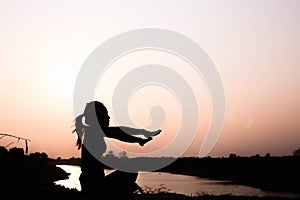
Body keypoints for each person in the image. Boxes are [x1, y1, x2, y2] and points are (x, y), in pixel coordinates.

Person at [72, 101, 161, 195]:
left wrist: (140, 136)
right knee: (132, 167)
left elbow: (118, 131)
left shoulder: (92, 131)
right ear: (97, 117)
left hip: (93, 184)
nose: (109, 117)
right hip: (95, 187)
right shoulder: (93, 131)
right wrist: (140, 136)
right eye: (106, 115)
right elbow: (119, 132)